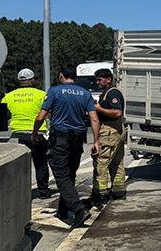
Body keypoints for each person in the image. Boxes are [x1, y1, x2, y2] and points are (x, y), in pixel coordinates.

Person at [32, 66, 100, 229]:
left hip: (60, 138)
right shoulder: (85, 93)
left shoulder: (54, 91)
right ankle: (63, 210)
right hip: (78, 138)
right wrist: (96, 141)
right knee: (69, 174)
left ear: (61, 75)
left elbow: (41, 116)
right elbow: (94, 119)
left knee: (61, 175)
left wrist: (35, 132)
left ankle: (78, 210)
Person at [1, 69, 50, 198]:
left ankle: (20, 192)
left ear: (19, 81)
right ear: (32, 80)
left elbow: (3, 116)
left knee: (20, 166)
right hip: (37, 134)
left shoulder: (9, 96)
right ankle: (44, 192)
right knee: (40, 163)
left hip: (17, 135)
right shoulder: (41, 94)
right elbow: (48, 113)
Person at [90, 68, 126, 207]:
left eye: (100, 79)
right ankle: (118, 190)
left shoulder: (113, 93)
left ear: (108, 79)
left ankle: (100, 194)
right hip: (114, 131)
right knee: (117, 162)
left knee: (101, 162)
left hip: (110, 131)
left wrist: (98, 109)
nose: (97, 82)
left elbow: (117, 112)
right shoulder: (106, 93)